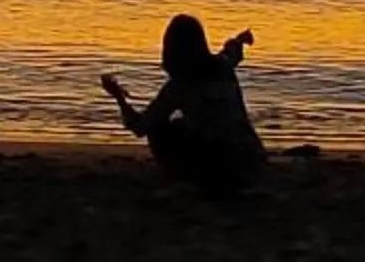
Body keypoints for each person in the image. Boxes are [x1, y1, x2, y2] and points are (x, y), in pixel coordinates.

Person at [104, 15, 268, 195]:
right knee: (184, 124)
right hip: (252, 158)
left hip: (220, 168)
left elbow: (140, 126)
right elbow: (232, 51)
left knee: (159, 127)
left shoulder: (179, 86)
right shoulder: (223, 66)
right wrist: (240, 39)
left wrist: (119, 97)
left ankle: (181, 173)